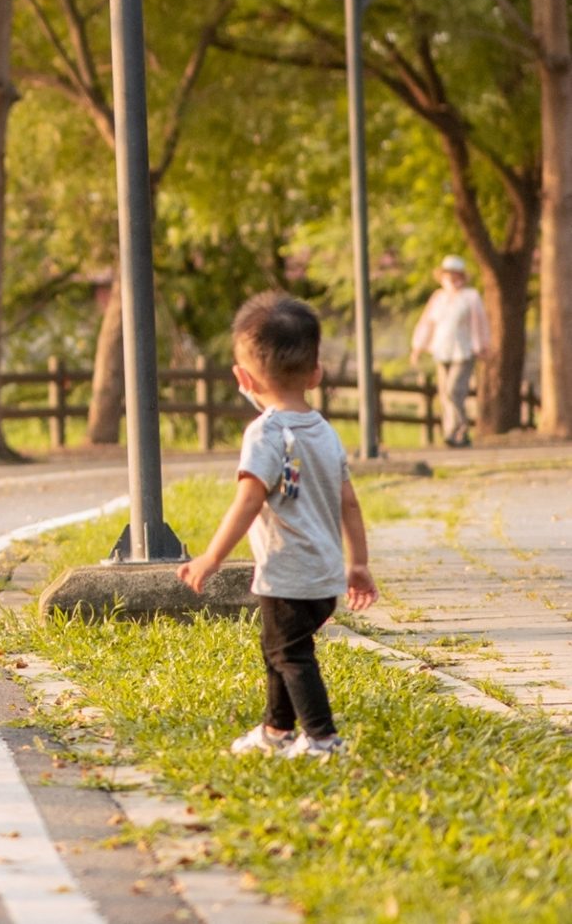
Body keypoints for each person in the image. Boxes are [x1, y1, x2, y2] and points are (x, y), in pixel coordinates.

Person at [178, 292, 379, 760]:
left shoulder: (264, 433)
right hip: (324, 574)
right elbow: (349, 501)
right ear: (316, 373)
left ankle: (323, 738)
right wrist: (359, 563)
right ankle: (276, 730)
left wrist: (211, 556)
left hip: (288, 572)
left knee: (290, 655)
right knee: (280, 649)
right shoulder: (325, 430)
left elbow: (249, 499)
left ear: (243, 378)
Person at [409, 254, 490, 448]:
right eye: (448, 274)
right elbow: (427, 323)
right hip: (442, 350)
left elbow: (479, 324)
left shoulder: (470, 297)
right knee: (445, 393)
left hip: (463, 351)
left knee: (455, 390)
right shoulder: (438, 297)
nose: (452, 278)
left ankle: (458, 429)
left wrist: (481, 347)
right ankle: (451, 432)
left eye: (455, 274)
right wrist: (418, 347)